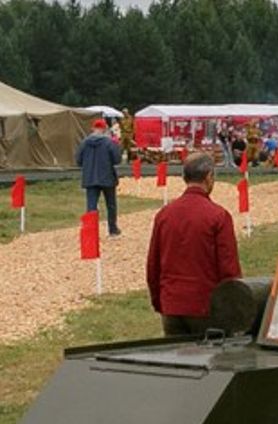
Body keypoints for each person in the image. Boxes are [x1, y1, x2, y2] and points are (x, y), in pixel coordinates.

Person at [145, 150, 242, 338]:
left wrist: (160, 302)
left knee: (177, 365)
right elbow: (228, 269)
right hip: (206, 307)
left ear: (184, 177)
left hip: (172, 306)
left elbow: (153, 265)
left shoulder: (164, 214)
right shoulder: (218, 216)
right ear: (209, 177)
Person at [76, 116, 124, 236]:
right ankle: (112, 229)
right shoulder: (109, 142)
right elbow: (117, 160)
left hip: (90, 177)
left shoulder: (84, 143)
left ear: (93, 128)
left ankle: (91, 231)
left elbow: (78, 160)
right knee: (111, 204)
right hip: (107, 177)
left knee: (91, 205)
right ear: (104, 128)